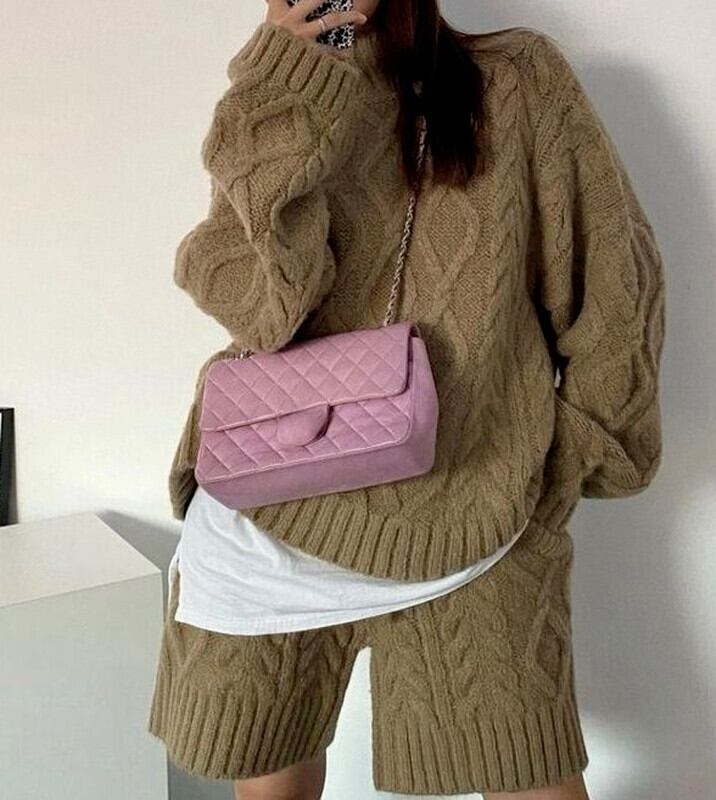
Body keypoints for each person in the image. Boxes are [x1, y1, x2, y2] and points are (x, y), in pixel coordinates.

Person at [147, 0, 666, 798]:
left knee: (532, 780)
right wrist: (280, 86)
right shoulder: (277, 95)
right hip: (270, 514)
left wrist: (560, 466)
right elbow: (261, 312)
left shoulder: (518, 78)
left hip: (477, 510)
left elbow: (615, 291)